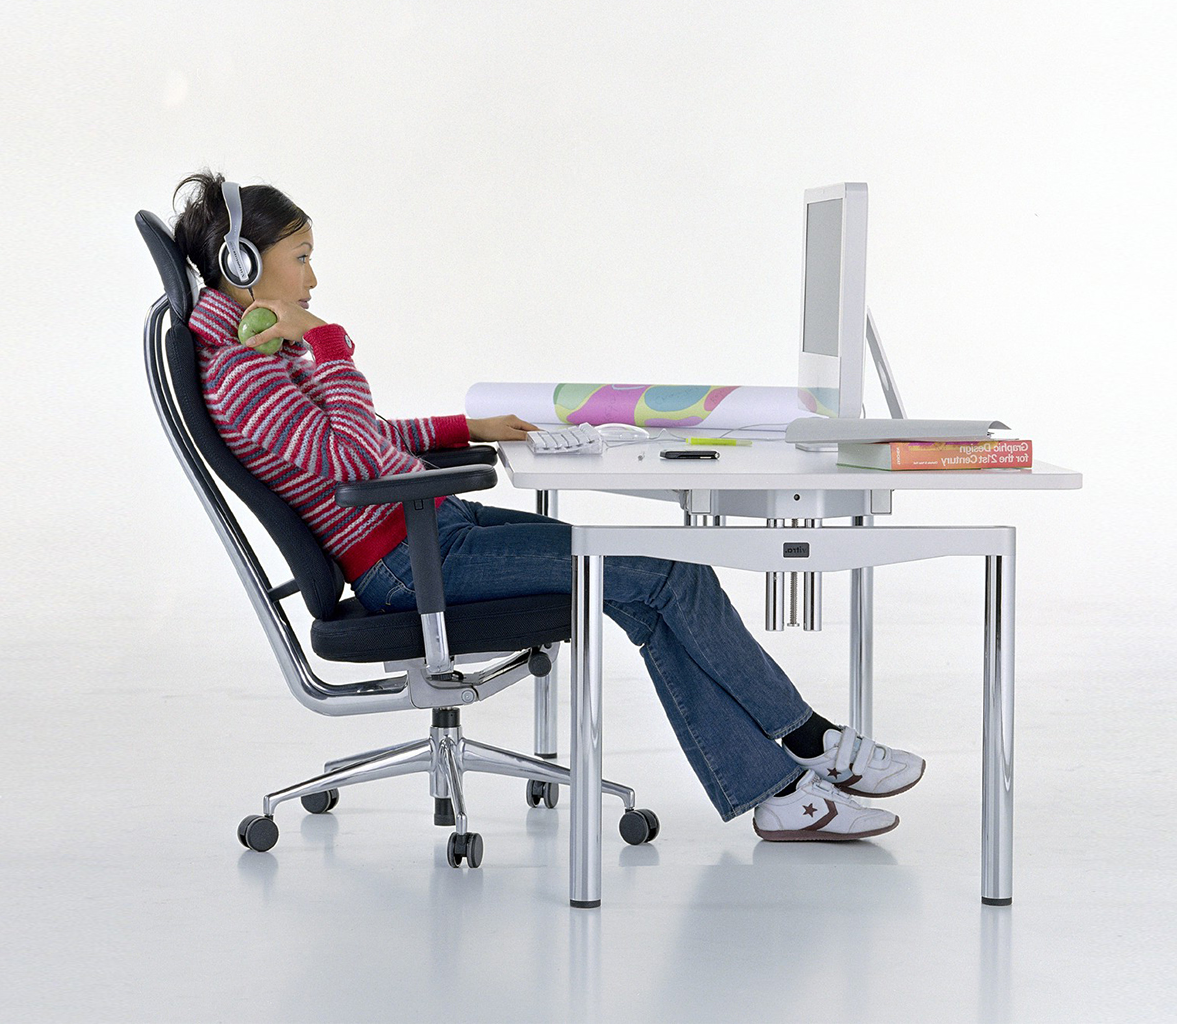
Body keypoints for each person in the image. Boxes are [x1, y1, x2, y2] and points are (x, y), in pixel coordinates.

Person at [172, 170, 926, 842]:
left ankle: (780, 794)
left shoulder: (255, 356)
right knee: (670, 574)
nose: (313, 277)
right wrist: (332, 344)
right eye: (301, 257)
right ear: (243, 265)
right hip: (407, 564)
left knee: (650, 589)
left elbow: (358, 436)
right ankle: (812, 741)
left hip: (428, 533)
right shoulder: (242, 375)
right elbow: (351, 459)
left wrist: (468, 428)